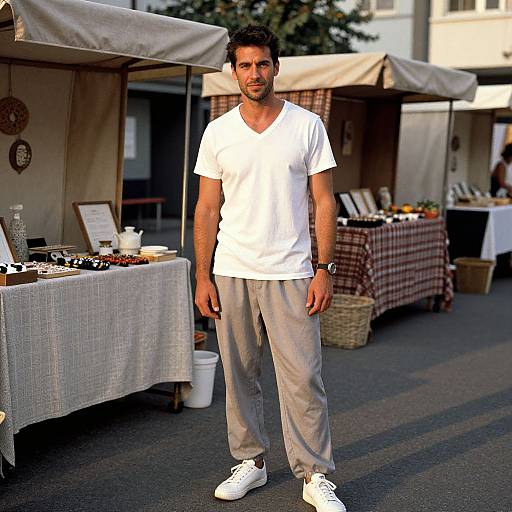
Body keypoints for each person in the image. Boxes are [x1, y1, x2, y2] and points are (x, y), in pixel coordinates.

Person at [193, 25, 345, 512]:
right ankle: (251, 463)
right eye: (245, 65)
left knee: (303, 378)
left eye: (262, 64)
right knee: (239, 375)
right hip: (233, 269)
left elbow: (324, 200)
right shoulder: (218, 132)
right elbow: (205, 208)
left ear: (276, 68)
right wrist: (202, 274)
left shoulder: (306, 126)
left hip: (293, 271)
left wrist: (324, 267)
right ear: (233, 70)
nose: (254, 73)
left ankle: (315, 474)